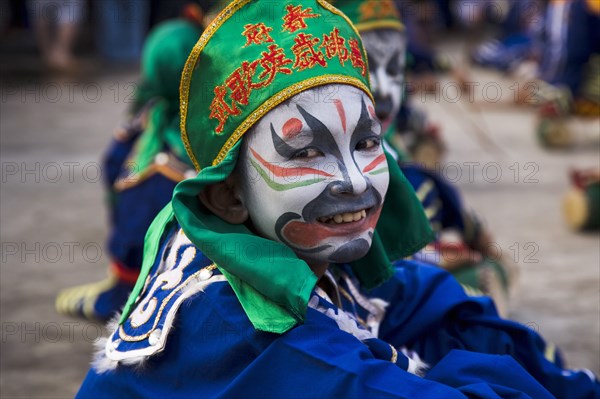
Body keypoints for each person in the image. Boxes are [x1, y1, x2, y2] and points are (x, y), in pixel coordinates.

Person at [77, 1, 599, 397]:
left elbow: (432, 303)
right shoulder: (233, 325)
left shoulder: (304, 245)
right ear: (227, 195)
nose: (355, 179)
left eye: (368, 143)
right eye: (307, 151)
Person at [55, 14, 203, 321]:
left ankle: (119, 294)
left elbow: (111, 170)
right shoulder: (221, 129)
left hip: (140, 272)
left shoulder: (142, 127)